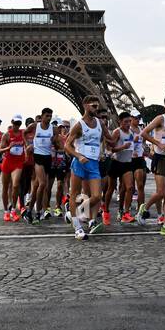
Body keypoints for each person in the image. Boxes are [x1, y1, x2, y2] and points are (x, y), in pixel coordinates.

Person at [138, 95, 165, 235]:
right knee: (161, 192)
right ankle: (144, 207)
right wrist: (158, 144)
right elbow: (143, 133)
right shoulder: (160, 119)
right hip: (160, 158)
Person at [65, 96, 107, 240]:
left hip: (94, 163)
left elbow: (106, 139)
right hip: (80, 162)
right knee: (75, 194)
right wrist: (78, 155)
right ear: (85, 106)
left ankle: (77, 212)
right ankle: (77, 228)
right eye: (93, 106)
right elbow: (67, 145)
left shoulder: (100, 123)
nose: (96, 108)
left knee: (97, 196)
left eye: (97, 106)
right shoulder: (79, 125)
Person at [25, 108, 56, 223]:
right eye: (47, 116)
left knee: (38, 186)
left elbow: (57, 142)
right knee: (43, 184)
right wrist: (28, 145)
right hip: (37, 156)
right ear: (42, 116)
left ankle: (29, 212)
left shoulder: (53, 129)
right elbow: (25, 133)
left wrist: (54, 141)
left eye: (50, 116)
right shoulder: (35, 126)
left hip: (48, 157)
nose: (49, 118)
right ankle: (38, 212)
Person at [0, 115, 29, 221]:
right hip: (7, 162)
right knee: (5, 187)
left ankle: (13, 210)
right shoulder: (7, 135)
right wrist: (8, 147)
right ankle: (6, 211)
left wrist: (27, 153)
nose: (17, 125)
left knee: (15, 185)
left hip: (18, 163)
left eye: (19, 123)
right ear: (12, 122)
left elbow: (26, 145)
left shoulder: (22, 134)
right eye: (15, 123)